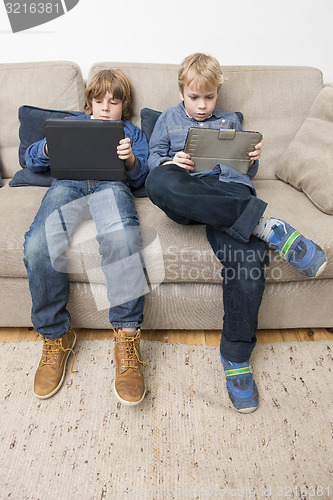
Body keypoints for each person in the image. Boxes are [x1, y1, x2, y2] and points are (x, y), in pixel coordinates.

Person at [145, 53, 326, 413]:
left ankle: (236, 357)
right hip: (187, 193)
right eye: (194, 97)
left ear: (217, 94)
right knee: (157, 181)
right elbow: (151, 160)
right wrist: (170, 162)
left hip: (228, 193)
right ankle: (264, 225)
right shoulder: (167, 119)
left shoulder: (230, 121)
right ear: (182, 92)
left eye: (208, 97)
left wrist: (253, 157)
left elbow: (246, 171)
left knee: (247, 257)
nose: (201, 105)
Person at [24, 69, 149, 406]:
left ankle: (126, 337)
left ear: (125, 105)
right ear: (89, 102)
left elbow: (142, 180)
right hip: (68, 184)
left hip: (112, 184)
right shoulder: (72, 125)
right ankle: (57, 336)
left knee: (122, 240)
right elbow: (31, 159)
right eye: (98, 100)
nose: (105, 107)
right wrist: (50, 147)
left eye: (114, 101)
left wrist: (132, 160)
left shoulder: (132, 133)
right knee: (38, 245)